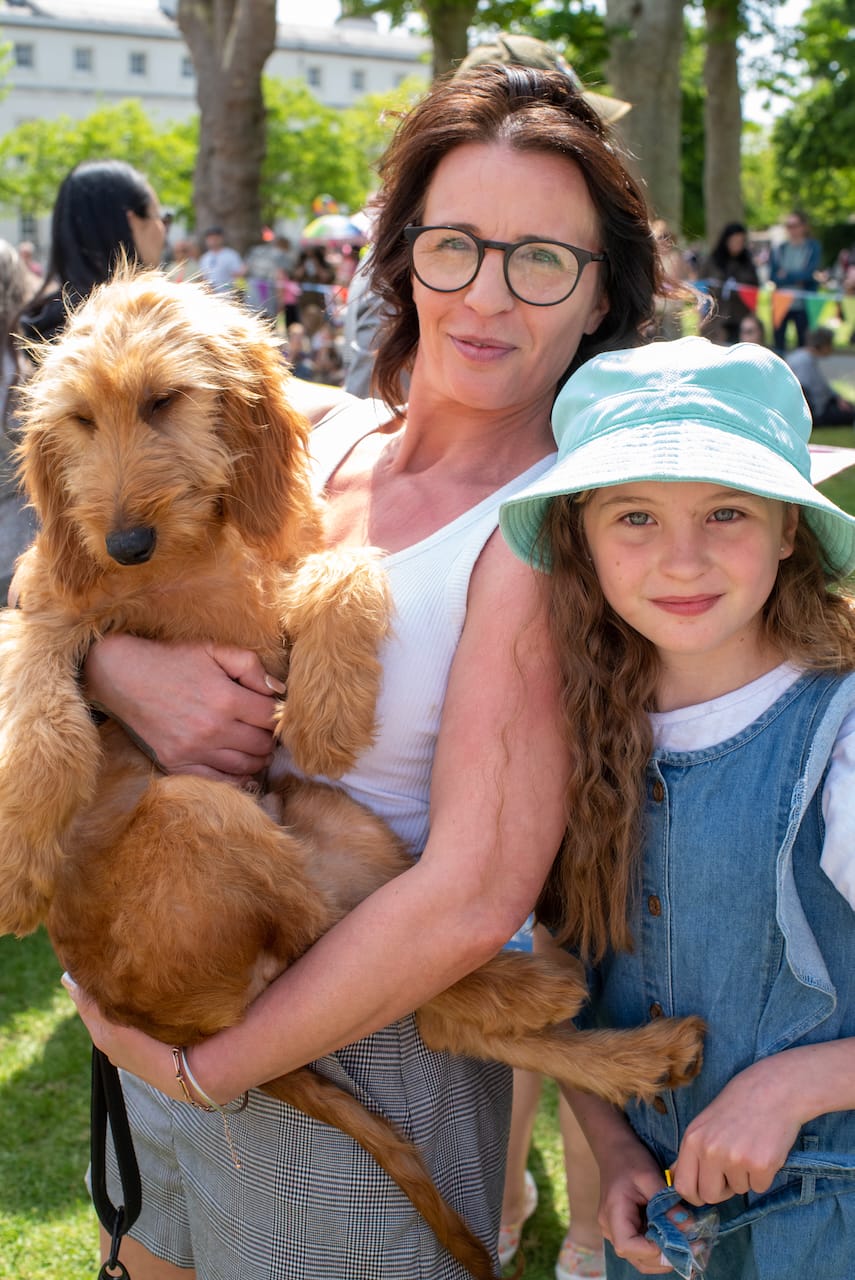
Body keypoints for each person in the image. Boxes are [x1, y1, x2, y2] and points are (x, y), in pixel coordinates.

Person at [62, 63, 667, 1280]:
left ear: (602, 292)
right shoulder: (320, 433)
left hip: (352, 1044)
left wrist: (206, 1067)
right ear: (403, 256)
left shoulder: (543, 534)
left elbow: (473, 894)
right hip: (167, 974)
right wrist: (115, 666)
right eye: (456, 245)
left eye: (542, 259)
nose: (487, 293)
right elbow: (79, 576)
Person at [499, 336, 855, 1279]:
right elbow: (568, 972)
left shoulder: (839, 735)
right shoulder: (576, 730)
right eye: (635, 517)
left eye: (726, 511)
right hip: (656, 1234)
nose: (682, 559)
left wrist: (798, 1084)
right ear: (580, 534)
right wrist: (612, 1143)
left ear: (789, 529)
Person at [17, 158, 166, 345]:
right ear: (132, 221)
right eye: (161, 216)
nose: (163, 229)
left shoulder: (34, 326)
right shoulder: (157, 329)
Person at [769, 211, 822, 354]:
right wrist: (797, 277)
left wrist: (786, 275)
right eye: (788, 226)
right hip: (781, 302)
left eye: (794, 225)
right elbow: (774, 276)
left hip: (803, 303)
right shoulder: (780, 248)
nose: (791, 229)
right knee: (778, 345)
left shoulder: (812, 247)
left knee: (803, 345)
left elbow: (809, 274)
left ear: (803, 226)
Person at [699, 221, 760, 346]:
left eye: (740, 241)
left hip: (740, 317)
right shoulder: (712, 261)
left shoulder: (747, 263)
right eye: (734, 241)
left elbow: (754, 289)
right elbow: (701, 288)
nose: (737, 245)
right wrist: (701, 316)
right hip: (715, 318)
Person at [786, 326, 855, 428]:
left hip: (818, 405)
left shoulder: (802, 356)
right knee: (850, 414)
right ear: (824, 345)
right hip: (814, 411)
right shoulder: (804, 362)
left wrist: (836, 398)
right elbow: (806, 389)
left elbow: (820, 385)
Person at [198, 225, 244, 297]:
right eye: (210, 238)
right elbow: (203, 278)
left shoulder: (231, 255)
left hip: (229, 295)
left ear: (221, 238)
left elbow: (239, 275)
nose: (213, 240)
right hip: (211, 296)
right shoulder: (205, 258)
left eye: (216, 237)